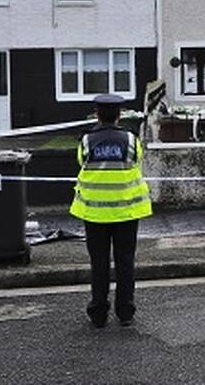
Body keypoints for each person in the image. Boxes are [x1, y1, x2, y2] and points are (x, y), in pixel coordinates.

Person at [70, 94, 152, 328]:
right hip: (126, 210)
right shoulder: (130, 139)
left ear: (97, 114)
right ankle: (125, 311)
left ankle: (98, 313)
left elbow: (81, 161)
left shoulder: (86, 141)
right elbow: (137, 160)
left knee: (99, 262)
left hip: (94, 212)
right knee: (125, 261)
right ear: (119, 115)